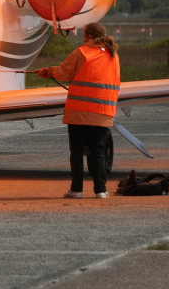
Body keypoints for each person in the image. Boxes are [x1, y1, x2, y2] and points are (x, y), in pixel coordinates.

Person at [35, 22, 120, 199]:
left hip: (79, 113)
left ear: (88, 36)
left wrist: (47, 71)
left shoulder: (81, 52)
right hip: (103, 112)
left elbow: (63, 73)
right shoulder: (113, 55)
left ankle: (76, 190)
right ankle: (101, 191)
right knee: (98, 151)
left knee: (77, 152)